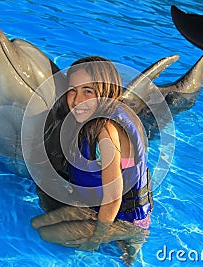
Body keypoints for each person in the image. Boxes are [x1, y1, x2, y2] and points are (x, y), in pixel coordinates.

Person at [30, 56, 153, 265]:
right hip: (96, 208)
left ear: (105, 91)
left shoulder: (106, 131)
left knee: (47, 235)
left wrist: (96, 238)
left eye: (88, 91)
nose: (77, 100)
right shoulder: (91, 119)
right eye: (72, 90)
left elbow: (113, 198)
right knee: (36, 224)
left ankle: (134, 236)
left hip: (126, 217)